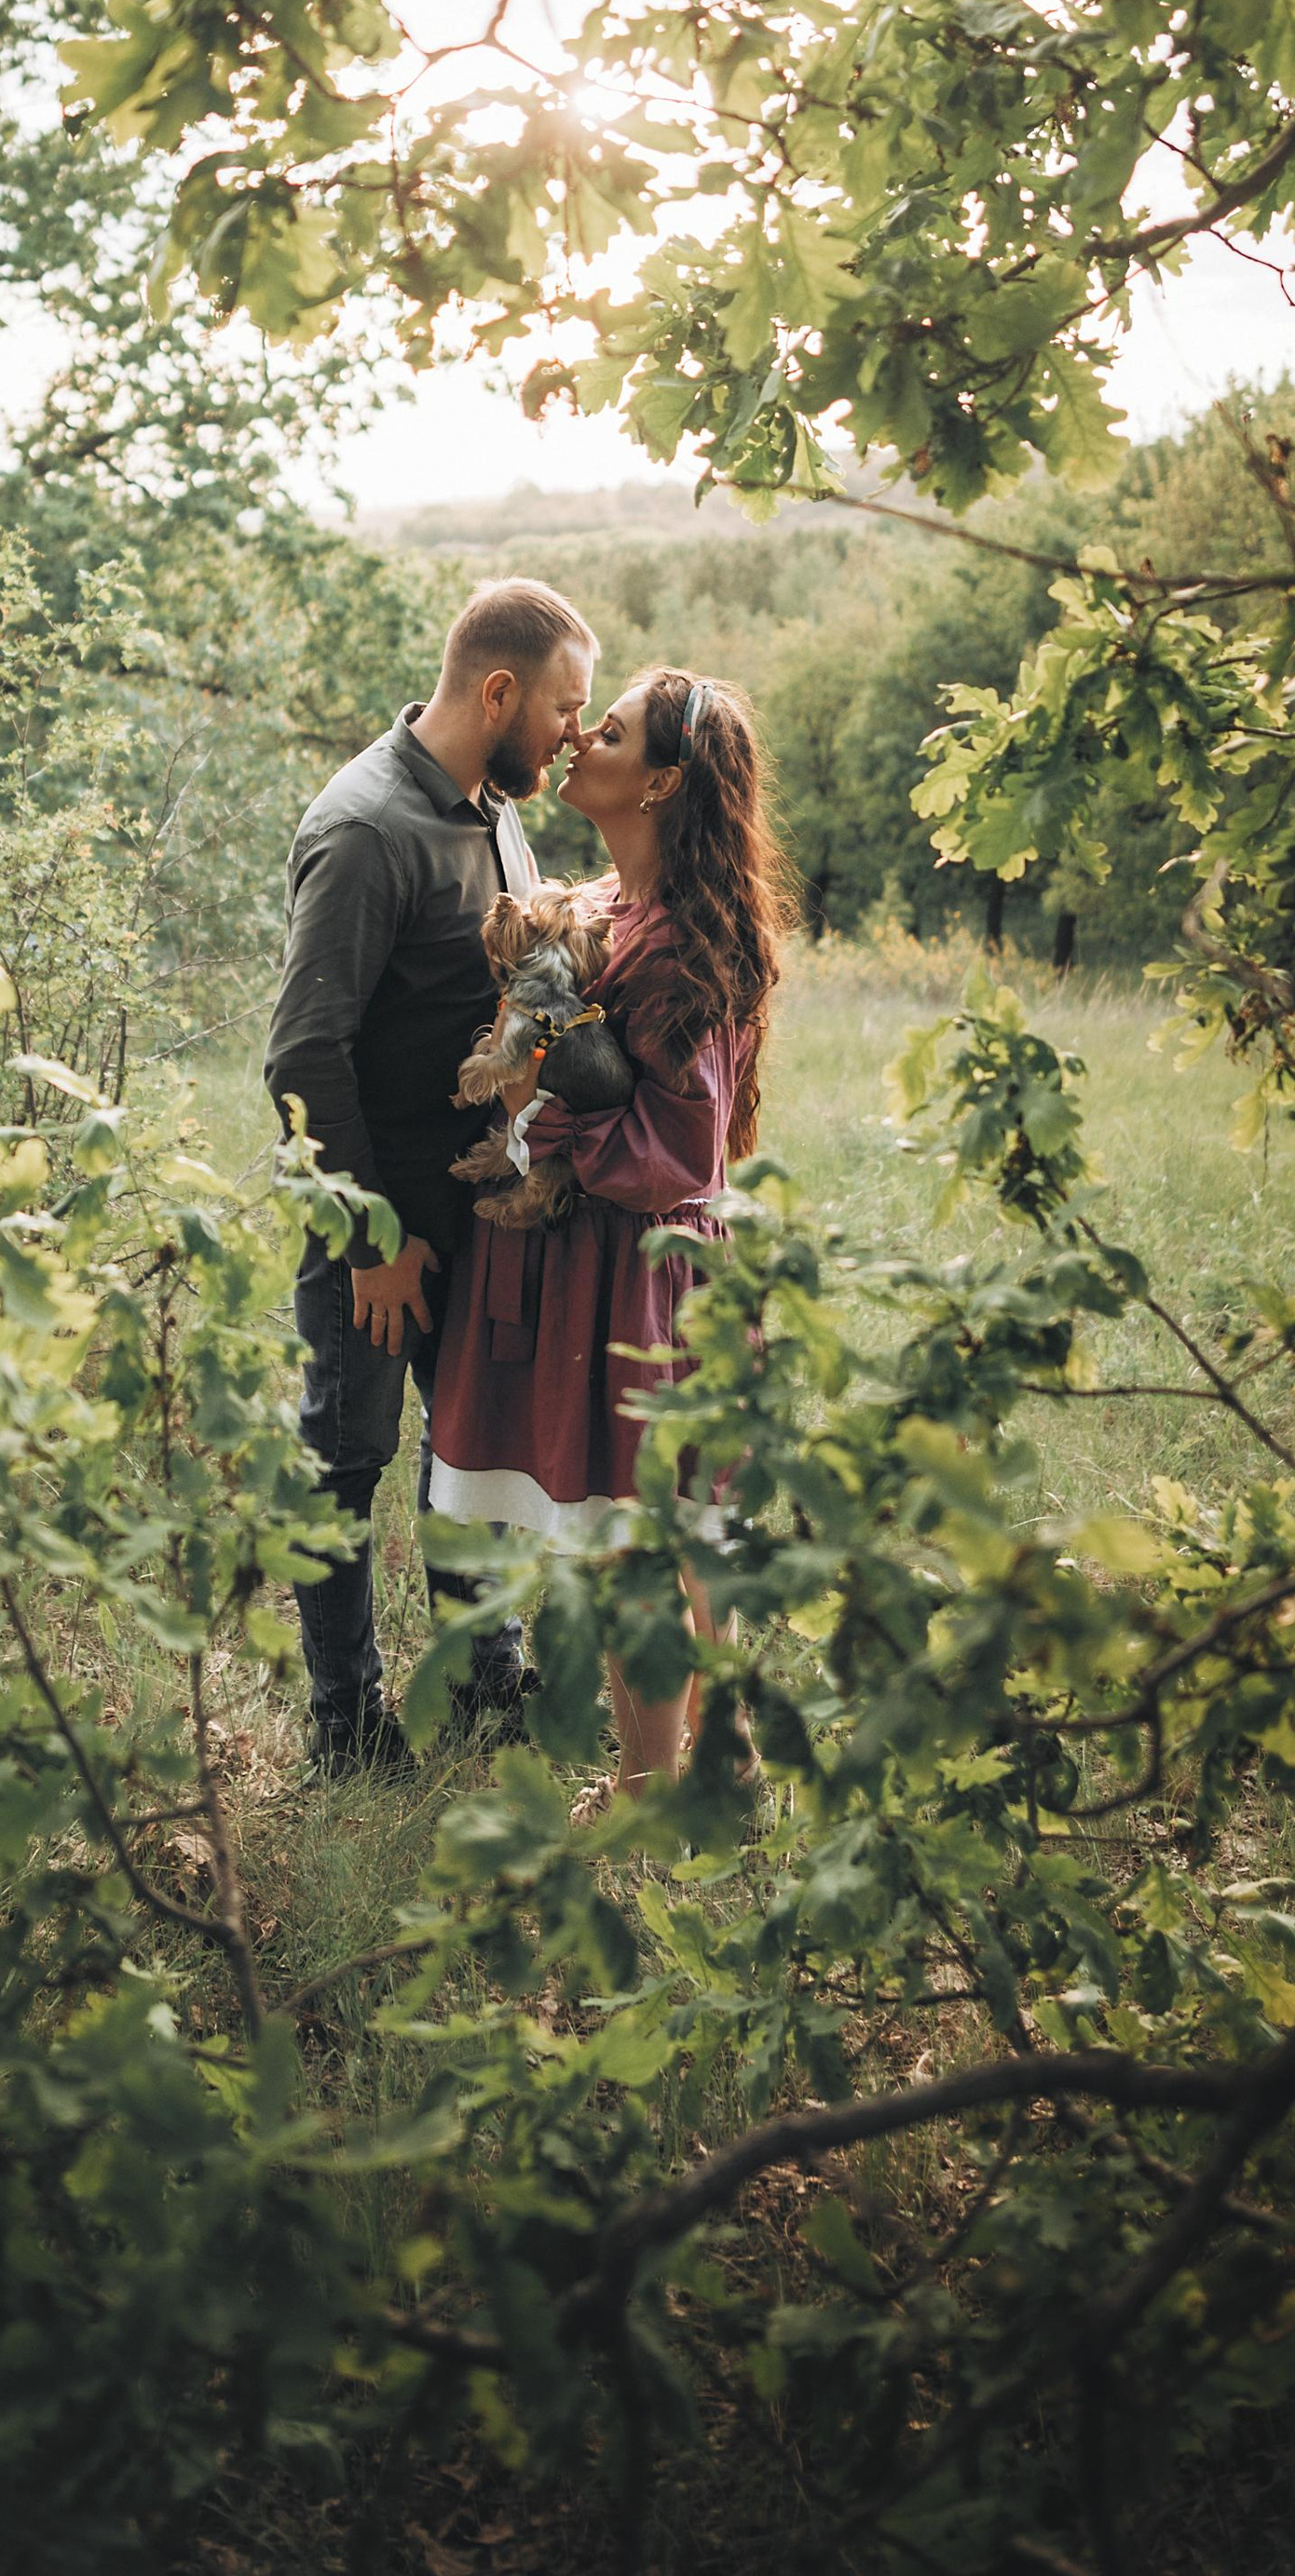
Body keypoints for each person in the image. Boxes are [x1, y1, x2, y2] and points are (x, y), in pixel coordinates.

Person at [425, 668, 791, 1796]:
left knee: (644, 1539)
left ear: (664, 781)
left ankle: (648, 1789)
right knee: (669, 1531)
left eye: (614, 728)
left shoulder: (688, 943)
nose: (581, 734)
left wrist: (544, 1125)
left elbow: (681, 1148)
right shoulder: (599, 908)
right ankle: (711, 1758)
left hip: (641, 1272)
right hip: (602, 1263)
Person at [266, 577, 599, 1773]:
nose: (574, 735)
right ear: (497, 689)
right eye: (567, 707)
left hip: (476, 1211)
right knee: (343, 1460)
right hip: (375, 1219)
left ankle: (482, 1678)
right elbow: (304, 1051)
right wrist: (374, 1240)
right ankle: (345, 1730)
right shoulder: (365, 827)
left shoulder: (492, 809)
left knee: (471, 1447)